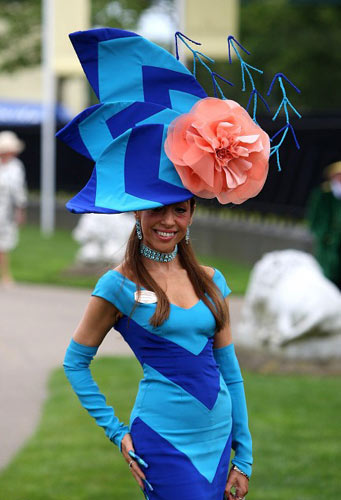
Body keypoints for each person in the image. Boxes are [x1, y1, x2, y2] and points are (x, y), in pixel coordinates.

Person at [61, 28, 271, 500]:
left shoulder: (213, 281)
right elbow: (76, 364)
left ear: (192, 213)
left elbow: (229, 369)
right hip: (163, 442)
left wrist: (245, 454)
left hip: (219, 443)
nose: (168, 221)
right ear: (138, 212)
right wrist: (118, 433)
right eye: (157, 209)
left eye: (179, 209)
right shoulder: (116, 286)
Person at [306, 160, 341, 290]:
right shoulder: (323, 194)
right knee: (325, 268)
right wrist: (322, 234)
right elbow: (315, 216)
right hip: (327, 240)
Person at [0, 130, 27, 285]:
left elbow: (19, 191)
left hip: (7, 210)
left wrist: (20, 211)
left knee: (4, 244)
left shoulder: (16, 167)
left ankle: (5, 275)